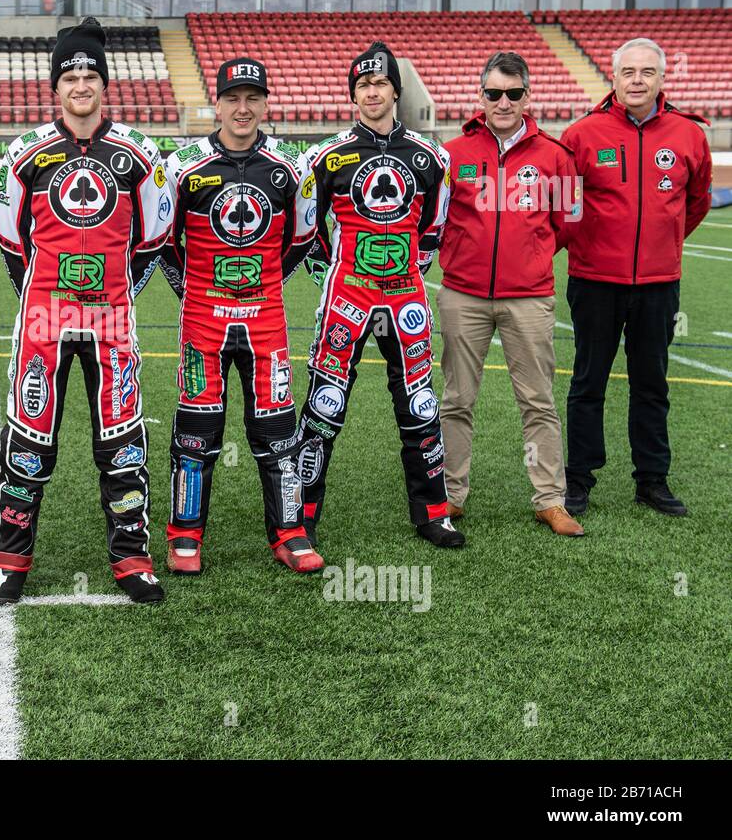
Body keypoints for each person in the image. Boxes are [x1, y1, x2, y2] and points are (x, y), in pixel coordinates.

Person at [0, 17, 174, 605]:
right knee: (29, 434)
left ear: (105, 83)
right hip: (44, 317)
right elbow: (10, 239)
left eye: (90, 73)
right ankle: (9, 560)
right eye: (69, 74)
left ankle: (132, 557)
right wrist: (44, 293)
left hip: (113, 320)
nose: (80, 84)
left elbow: (152, 239)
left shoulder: (138, 155)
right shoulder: (26, 154)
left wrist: (115, 292)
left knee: (121, 437)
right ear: (54, 87)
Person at [159, 56, 321, 575]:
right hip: (201, 322)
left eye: (253, 98)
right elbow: (164, 241)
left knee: (277, 430)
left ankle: (290, 533)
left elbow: (302, 237)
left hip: (266, 320)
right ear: (219, 104)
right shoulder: (184, 165)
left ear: (265, 103)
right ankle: (184, 536)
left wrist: (267, 281)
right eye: (233, 98)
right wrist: (194, 290)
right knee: (195, 429)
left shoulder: (290, 167)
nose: (243, 108)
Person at [298, 41, 461, 551]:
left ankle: (434, 513)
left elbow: (435, 227)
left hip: (406, 298)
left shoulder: (431, 155)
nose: (372, 92)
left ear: (396, 90)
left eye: (381, 83)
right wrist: (332, 272)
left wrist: (409, 272)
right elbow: (306, 230)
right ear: (353, 94)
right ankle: (300, 515)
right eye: (363, 85)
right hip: (347, 296)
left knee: (419, 405)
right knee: (324, 407)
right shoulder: (325, 155)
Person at [559, 38, 712, 517]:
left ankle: (652, 480)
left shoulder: (689, 134)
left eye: (648, 72)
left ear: (662, 79)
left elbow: (698, 201)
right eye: (629, 72)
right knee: (588, 382)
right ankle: (579, 480)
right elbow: (564, 205)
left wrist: (661, 245)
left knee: (652, 383)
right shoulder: (581, 134)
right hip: (595, 282)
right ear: (615, 77)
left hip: (658, 285)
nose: (638, 80)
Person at [438, 51, 583, 536]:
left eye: (513, 93)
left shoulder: (556, 157)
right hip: (463, 294)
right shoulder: (452, 153)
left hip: (529, 297)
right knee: (456, 399)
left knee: (538, 401)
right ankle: (451, 494)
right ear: (481, 96)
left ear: (528, 96)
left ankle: (549, 498)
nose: (504, 102)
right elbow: (435, 222)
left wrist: (531, 258)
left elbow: (568, 224)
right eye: (494, 92)